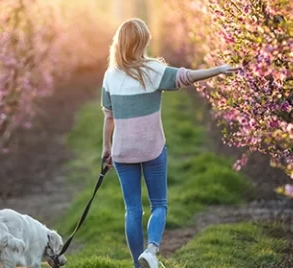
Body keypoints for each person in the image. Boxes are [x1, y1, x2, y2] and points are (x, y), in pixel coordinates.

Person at [100, 18, 238, 268]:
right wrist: (217, 70)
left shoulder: (110, 75)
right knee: (159, 204)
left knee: (132, 210)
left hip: (122, 151)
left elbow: (108, 117)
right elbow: (187, 77)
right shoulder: (152, 70)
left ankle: (137, 263)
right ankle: (151, 252)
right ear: (142, 42)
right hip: (152, 148)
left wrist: (106, 149)